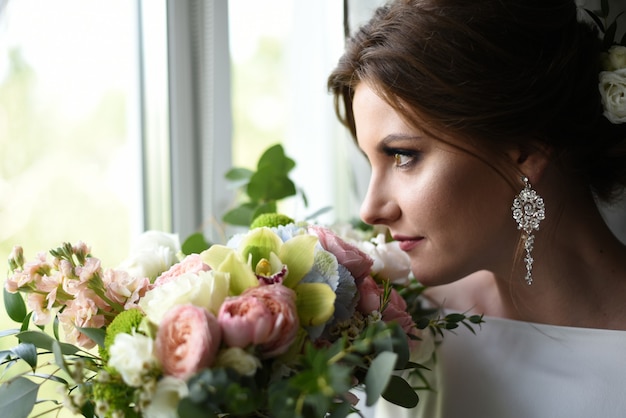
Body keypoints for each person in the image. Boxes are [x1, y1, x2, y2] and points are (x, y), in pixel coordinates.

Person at [328, 0, 626, 417]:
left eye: (402, 156)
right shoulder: (394, 320)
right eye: (370, 163)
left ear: (524, 150)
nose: (370, 209)